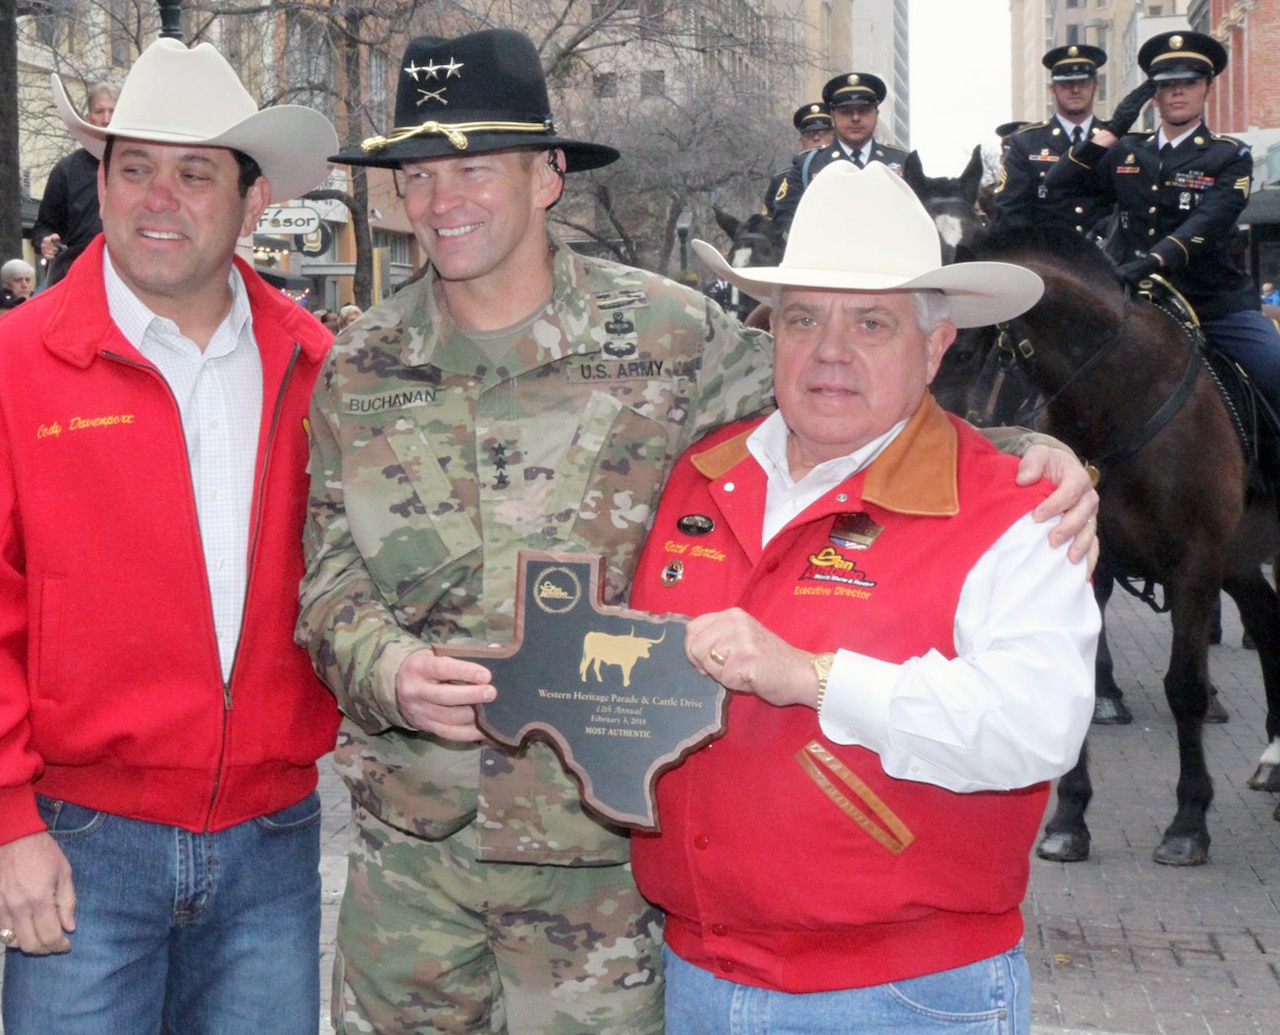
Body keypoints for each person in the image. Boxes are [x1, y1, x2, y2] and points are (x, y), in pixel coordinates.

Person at [303, 28, 1099, 1034]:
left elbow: (844, 402)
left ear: (548, 175)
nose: (441, 199)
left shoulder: (675, 339)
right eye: (416, 174)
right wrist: (385, 668)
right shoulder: (359, 364)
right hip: (412, 866)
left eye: (473, 168)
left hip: (600, 877)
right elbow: (327, 578)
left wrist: (1042, 456)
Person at [0, 39, 340, 1032]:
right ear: (98, 183)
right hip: (80, 838)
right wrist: (4, 824)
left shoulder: (319, 369)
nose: (159, 198)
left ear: (251, 199)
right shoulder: (5, 374)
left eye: (194, 174)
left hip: (271, 841)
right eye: (133, 168)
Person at [630, 158, 1098, 1030]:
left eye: (871, 322)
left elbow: (1039, 723)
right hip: (695, 973)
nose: (829, 350)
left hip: (900, 995)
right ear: (769, 333)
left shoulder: (1018, 512)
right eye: (803, 317)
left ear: (937, 346)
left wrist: (814, 674)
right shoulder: (698, 475)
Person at [1046, 31, 1280, 411]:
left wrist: (1154, 260)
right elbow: (1058, 185)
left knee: (1274, 369)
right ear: (1152, 95)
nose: (1177, 92)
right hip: (1134, 299)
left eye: (1189, 83)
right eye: (1166, 85)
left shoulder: (1228, 155)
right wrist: (1112, 130)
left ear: (1207, 89)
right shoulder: (1126, 150)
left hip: (1212, 300)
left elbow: (1209, 221)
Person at [769, 73, 923, 242]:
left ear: (876, 115)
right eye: (846, 112)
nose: (855, 118)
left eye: (863, 111)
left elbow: (919, 220)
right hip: (825, 262)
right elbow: (784, 223)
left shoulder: (902, 161)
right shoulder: (807, 165)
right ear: (833, 117)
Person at [995, 45, 1111, 234]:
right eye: (1066, 84)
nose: (1075, 89)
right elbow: (1010, 211)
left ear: (1095, 87)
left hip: (1107, 256)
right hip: (1048, 254)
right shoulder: (1026, 142)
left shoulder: (1115, 140)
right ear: (1053, 89)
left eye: (1083, 83)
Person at [30, 80, 117, 288]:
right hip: (76, 275)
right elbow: (43, 226)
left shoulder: (141, 167)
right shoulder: (66, 170)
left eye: (113, 111)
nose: (106, 119)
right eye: (100, 111)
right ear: (88, 118)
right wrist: (46, 241)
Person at [762, 102, 835, 217]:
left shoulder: (846, 170)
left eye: (823, 133)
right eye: (810, 134)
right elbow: (770, 222)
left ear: (834, 137)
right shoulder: (781, 179)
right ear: (800, 142)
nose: (816, 138)